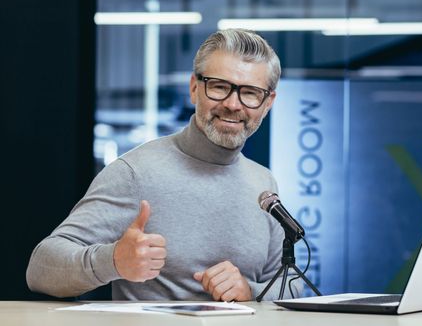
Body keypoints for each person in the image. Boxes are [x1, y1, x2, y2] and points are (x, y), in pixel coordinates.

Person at [26, 28, 297, 301]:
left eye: (250, 93)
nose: (232, 104)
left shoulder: (263, 183)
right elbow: (40, 270)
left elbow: (292, 283)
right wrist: (113, 261)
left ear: (268, 102)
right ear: (194, 88)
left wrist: (250, 290)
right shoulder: (136, 173)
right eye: (219, 86)